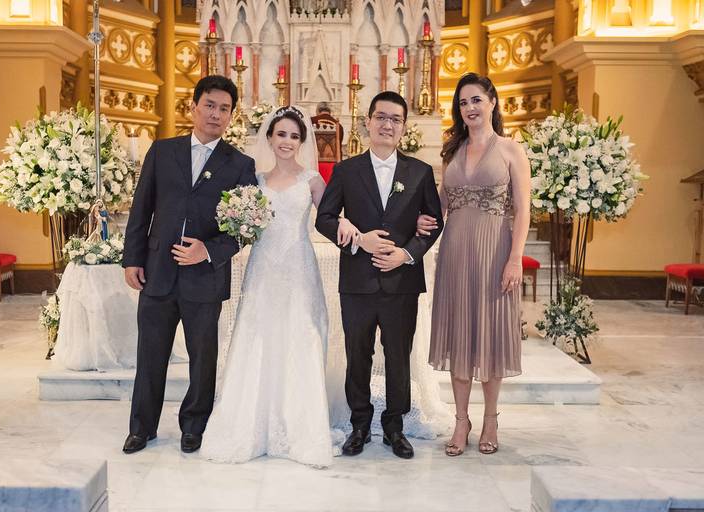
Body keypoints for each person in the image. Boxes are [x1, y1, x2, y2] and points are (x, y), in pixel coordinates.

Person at [199, 105, 357, 467]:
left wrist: (348, 227)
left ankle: (298, 427)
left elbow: (330, 217)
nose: (287, 141)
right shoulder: (254, 179)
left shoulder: (312, 180)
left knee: (299, 336)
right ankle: (251, 426)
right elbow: (237, 222)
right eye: (281, 134)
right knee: (259, 337)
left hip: (299, 268)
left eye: (294, 136)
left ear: (302, 142)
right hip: (263, 269)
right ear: (269, 138)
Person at [121, 75, 258, 455]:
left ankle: (194, 426)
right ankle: (141, 428)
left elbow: (246, 228)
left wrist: (209, 251)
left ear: (231, 116)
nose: (216, 114)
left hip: (204, 277)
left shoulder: (241, 164)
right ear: (194, 107)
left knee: (203, 358)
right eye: (210, 105)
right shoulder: (162, 152)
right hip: (157, 272)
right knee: (150, 355)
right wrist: (132, 259)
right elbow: (141, 209)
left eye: (224, 109)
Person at [316, 91, 444, 459]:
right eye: (381, 117)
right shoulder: (346, 170)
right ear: (368, 122)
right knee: (358, 353)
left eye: (396, 119)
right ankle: (359, 424)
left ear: (403, 127)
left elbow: (433, 223)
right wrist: (358, 239)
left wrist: (406, 254)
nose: (388, 124)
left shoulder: (420, 172)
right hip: (357, 280)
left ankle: (394, 426)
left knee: (398, 355)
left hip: (401, 282)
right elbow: (325, 218)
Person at [422, 72, 531, 456]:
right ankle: (461, 420)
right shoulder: (452, 151)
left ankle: (490, 419)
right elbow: (442, 204)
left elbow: (523, 210)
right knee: (460, 335)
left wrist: (514, 259)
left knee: (489, 335)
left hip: (494, 253)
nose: (469, 107)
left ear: (492, 102)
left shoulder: (511, 150)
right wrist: (421, 220)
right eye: (463, 102)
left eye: (476, 100)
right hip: (455, 254)